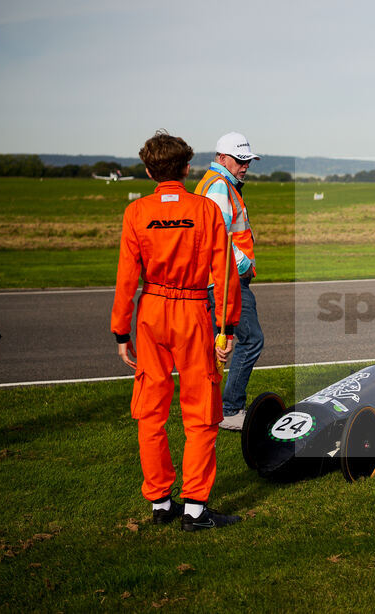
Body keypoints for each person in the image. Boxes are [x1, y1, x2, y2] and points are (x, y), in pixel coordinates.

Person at [111, 131, 243, 531]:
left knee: (149, 411)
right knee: (201, 411)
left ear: (149, 170)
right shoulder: (204, 210)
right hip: (191, 313)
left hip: (150, 313)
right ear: (187, 168)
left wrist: (121, 332)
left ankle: (160, 502)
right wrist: (227, 329)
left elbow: (125, 279)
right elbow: (224, 275)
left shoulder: (136, 213)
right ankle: (195, 510)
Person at [194, 132, 264, 431]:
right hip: (226, 279)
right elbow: (218, 237)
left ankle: (209, 407)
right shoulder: (220, 187)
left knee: (218, 347)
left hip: (216, 278)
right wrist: (245, 264)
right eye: (240, 160)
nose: (245, 166)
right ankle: (230, 408)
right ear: (222, 158)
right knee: (251, 341)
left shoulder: (214, 183)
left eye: (247, 160)